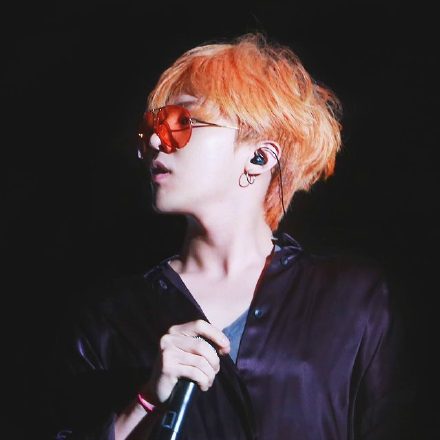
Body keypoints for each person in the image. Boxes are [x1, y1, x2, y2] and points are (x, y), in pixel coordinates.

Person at [47, 32, 414, 440]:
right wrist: (146, 400)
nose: (154, 141)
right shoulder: (111, 318)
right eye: (151, 126)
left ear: (259, 157)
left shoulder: (351, 298)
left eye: (181, 123)